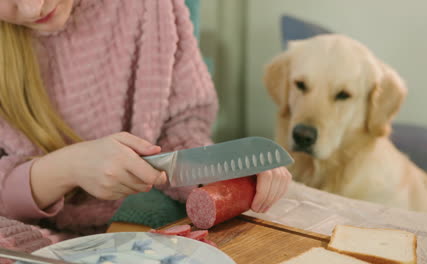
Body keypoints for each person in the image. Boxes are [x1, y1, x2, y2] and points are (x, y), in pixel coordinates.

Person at [0, 0, 292, 259]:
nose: (32, 8)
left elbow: (182, 122)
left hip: (140, 231)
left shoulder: (149, 8)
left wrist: (217, 175)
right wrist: (66, 168)